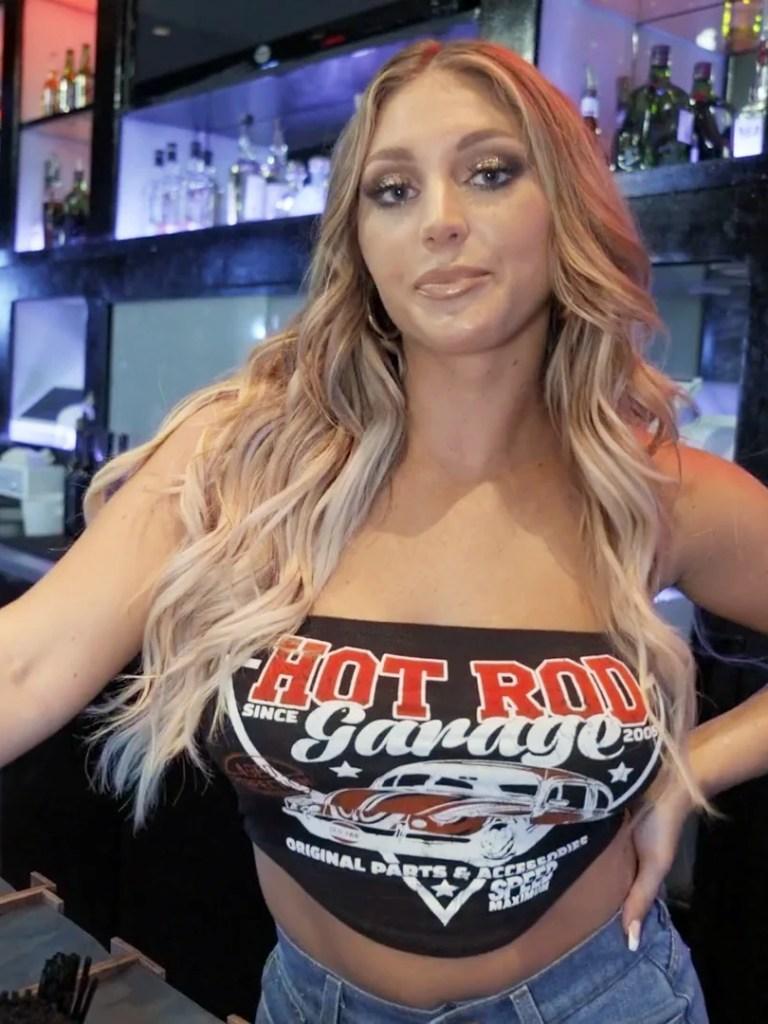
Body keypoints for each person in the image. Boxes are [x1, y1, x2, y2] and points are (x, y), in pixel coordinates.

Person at [4, 37, 768, 1024]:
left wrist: (688, 768)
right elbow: (22, 666)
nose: (440, 220)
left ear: (566, 209)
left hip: (599, 1001)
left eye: (490, 173)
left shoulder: (656, 489)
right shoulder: (246, 459)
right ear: (358, 239)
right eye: (393, 190)